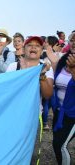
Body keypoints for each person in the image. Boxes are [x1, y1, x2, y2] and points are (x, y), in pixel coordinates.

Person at [52, 32, 75, 165]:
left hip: (72, 114)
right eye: (72, 39)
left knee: (60, 145)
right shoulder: (63, 60)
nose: (74, 42)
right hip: (60, 112)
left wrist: (73, 71)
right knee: (56, 143)